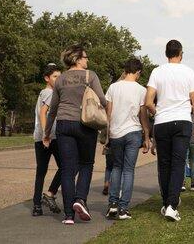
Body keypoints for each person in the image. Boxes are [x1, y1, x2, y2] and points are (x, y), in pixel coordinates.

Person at [44, 44, 107, 225]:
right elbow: (102, 100)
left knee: (67, 168)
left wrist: (47, 133)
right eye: (85, 57)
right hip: (85, 124)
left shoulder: (61, 79)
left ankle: (68, 216)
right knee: (86, 163)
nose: (87, 60)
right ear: (78, 59)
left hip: (64, 125)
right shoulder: (90, 75)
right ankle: (80, 200)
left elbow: (53, 109)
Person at [145, 40, 194, 222]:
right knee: (178, 163)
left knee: (164, 163)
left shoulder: (157, 71)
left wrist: (159, 112)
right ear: (181, 53)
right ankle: (172, 204)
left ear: (166, 54)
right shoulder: (188, 72)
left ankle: (166, 203)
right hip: (182, 121)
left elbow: (148, 101)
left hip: (162, 122)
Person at [105, 58, 151, 220]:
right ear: (138, 72)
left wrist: (107, 135)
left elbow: (108, 114)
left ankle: (112, 205)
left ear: (125, 70)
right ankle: (124, 208)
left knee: (116, 168)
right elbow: (143, 116)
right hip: (133, 132)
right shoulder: (141, 90)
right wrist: (147, 136)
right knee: (129, 170)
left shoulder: (113, 87)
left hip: (116, 133)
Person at [32, 64, 62, 216]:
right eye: (55, 77)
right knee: (66, 167)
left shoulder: (43, 93)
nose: (58, 79)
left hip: (41, 137)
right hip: (49, 138)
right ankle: (50, 194)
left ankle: (37, 205)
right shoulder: (50, 92)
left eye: (59, 76)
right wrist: (46, 134)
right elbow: (43, 113)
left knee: (41, 171)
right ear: (47, 78)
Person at [182, 112, 194, 192]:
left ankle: (182, 184)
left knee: (183, 161)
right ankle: (193, 184)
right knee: (193, 162)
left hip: (184, 139)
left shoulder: (183, 112)